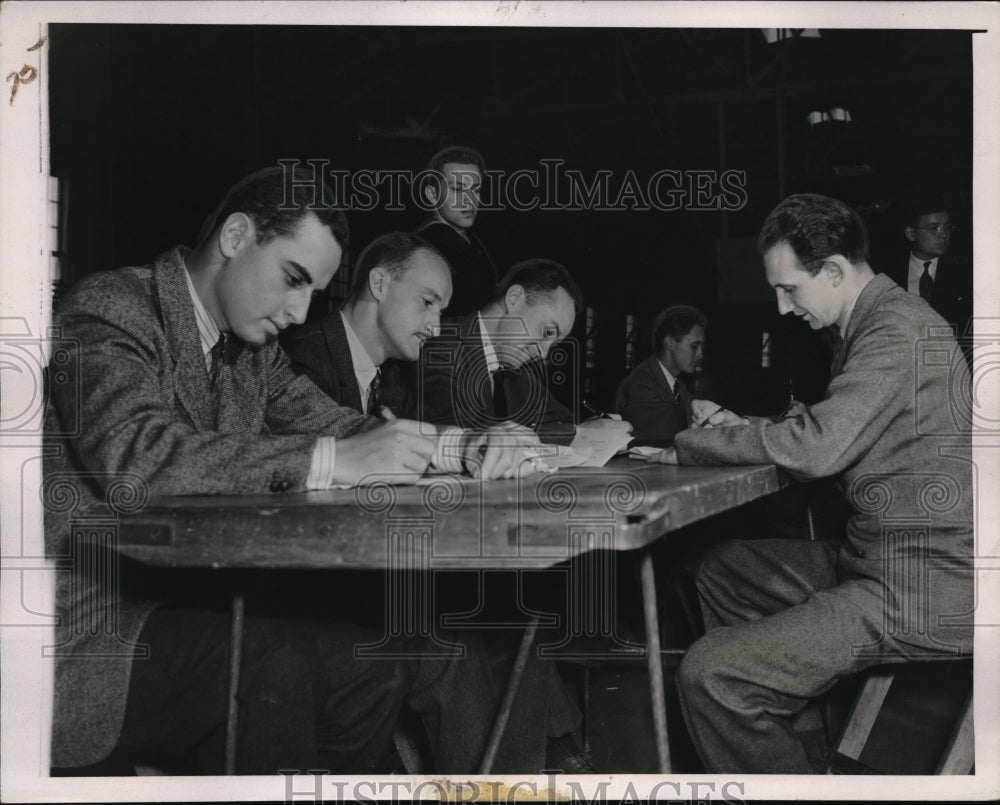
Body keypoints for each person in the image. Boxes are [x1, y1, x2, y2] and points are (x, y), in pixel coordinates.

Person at [42, 167, 551, 775]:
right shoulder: (110, 309)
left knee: (374, 664)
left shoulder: (248, 349)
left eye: (314, 292)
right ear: (236, 236)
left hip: (192, 600)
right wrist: (331, 461)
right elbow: (138, 456)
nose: (299, 309)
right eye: (293, 279)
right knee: (275, 659)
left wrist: (464, 448)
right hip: (85, 632)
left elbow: (334, 423)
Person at [651, 193, 973, 773]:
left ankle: (783, 763)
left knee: (709, 673)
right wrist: (746, 427)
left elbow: (819, 447)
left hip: (918, 583)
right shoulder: (872, 323)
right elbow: (831, 429)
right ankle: (798, 753)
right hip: (879, 558)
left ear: (832, 271)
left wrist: (686, 445)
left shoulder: (895, 328)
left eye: (788, 288)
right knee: (724, 568)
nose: (780, 307)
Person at [283, 233, 594, 772]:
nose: (435, 325)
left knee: (514, 618)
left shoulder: (390, 369)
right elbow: (334, 454)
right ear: (379, 283)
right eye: (428, 303)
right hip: (320, 578)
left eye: (443, 309)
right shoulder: (304, 357)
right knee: (462, 632)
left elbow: (391, 438)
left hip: (381, 558)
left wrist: (463, 448)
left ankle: (538, 766)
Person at [416, 145, 498, 317]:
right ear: (432, 194)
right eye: (458, 189)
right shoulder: (425, 248)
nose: (469, 200)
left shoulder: (470, 241)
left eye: (475, 189)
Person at [614, 304, 709, 448]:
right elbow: (669, 429)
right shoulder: (641, 383)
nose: (701, 354)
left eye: (702, 347)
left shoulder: (677, 384)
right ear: (670, 343)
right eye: (695, 346)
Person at [885, 197, 971, 335]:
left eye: (947, 227)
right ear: (911, 234)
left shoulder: (964, 272)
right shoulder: (888, 275)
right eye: (934, 228)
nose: (944, 235)